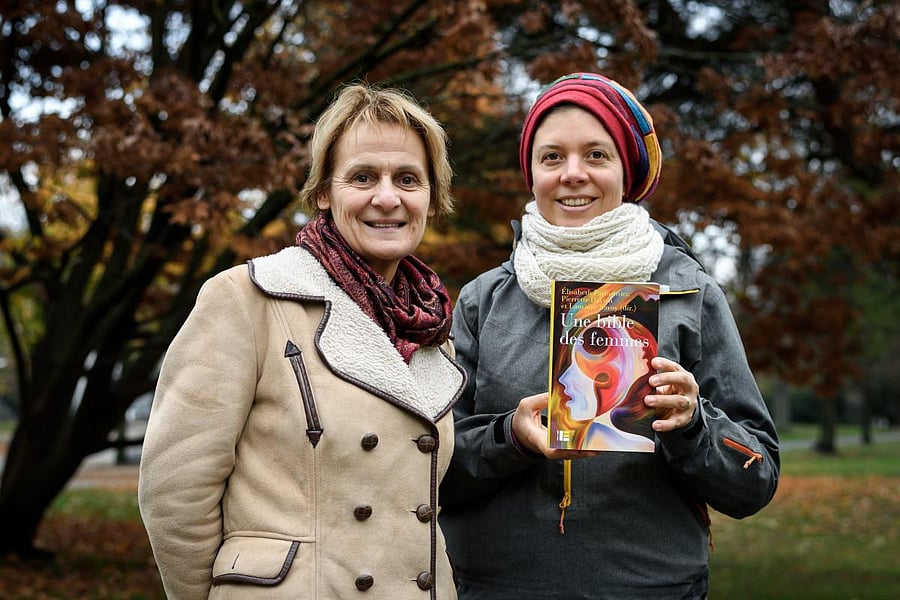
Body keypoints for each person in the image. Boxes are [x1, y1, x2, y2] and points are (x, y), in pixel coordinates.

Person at [439, 72, 780, 600]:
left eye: (596, 155)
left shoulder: (690, 295)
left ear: (627, 171)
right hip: (498, 587)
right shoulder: (482, 301)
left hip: (654, 587)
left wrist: (693, 426)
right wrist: (511, 438)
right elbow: (431, 469)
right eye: (552, 157)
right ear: (531, 173)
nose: (573, 174)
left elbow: (755, 480)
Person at [139, 82, 466, 600]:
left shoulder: (430, 330)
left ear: (431, 197)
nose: (388, 197)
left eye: (408, 179)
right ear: (323, 193)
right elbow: (175, 493)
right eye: (363, 177)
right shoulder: (247, 298)